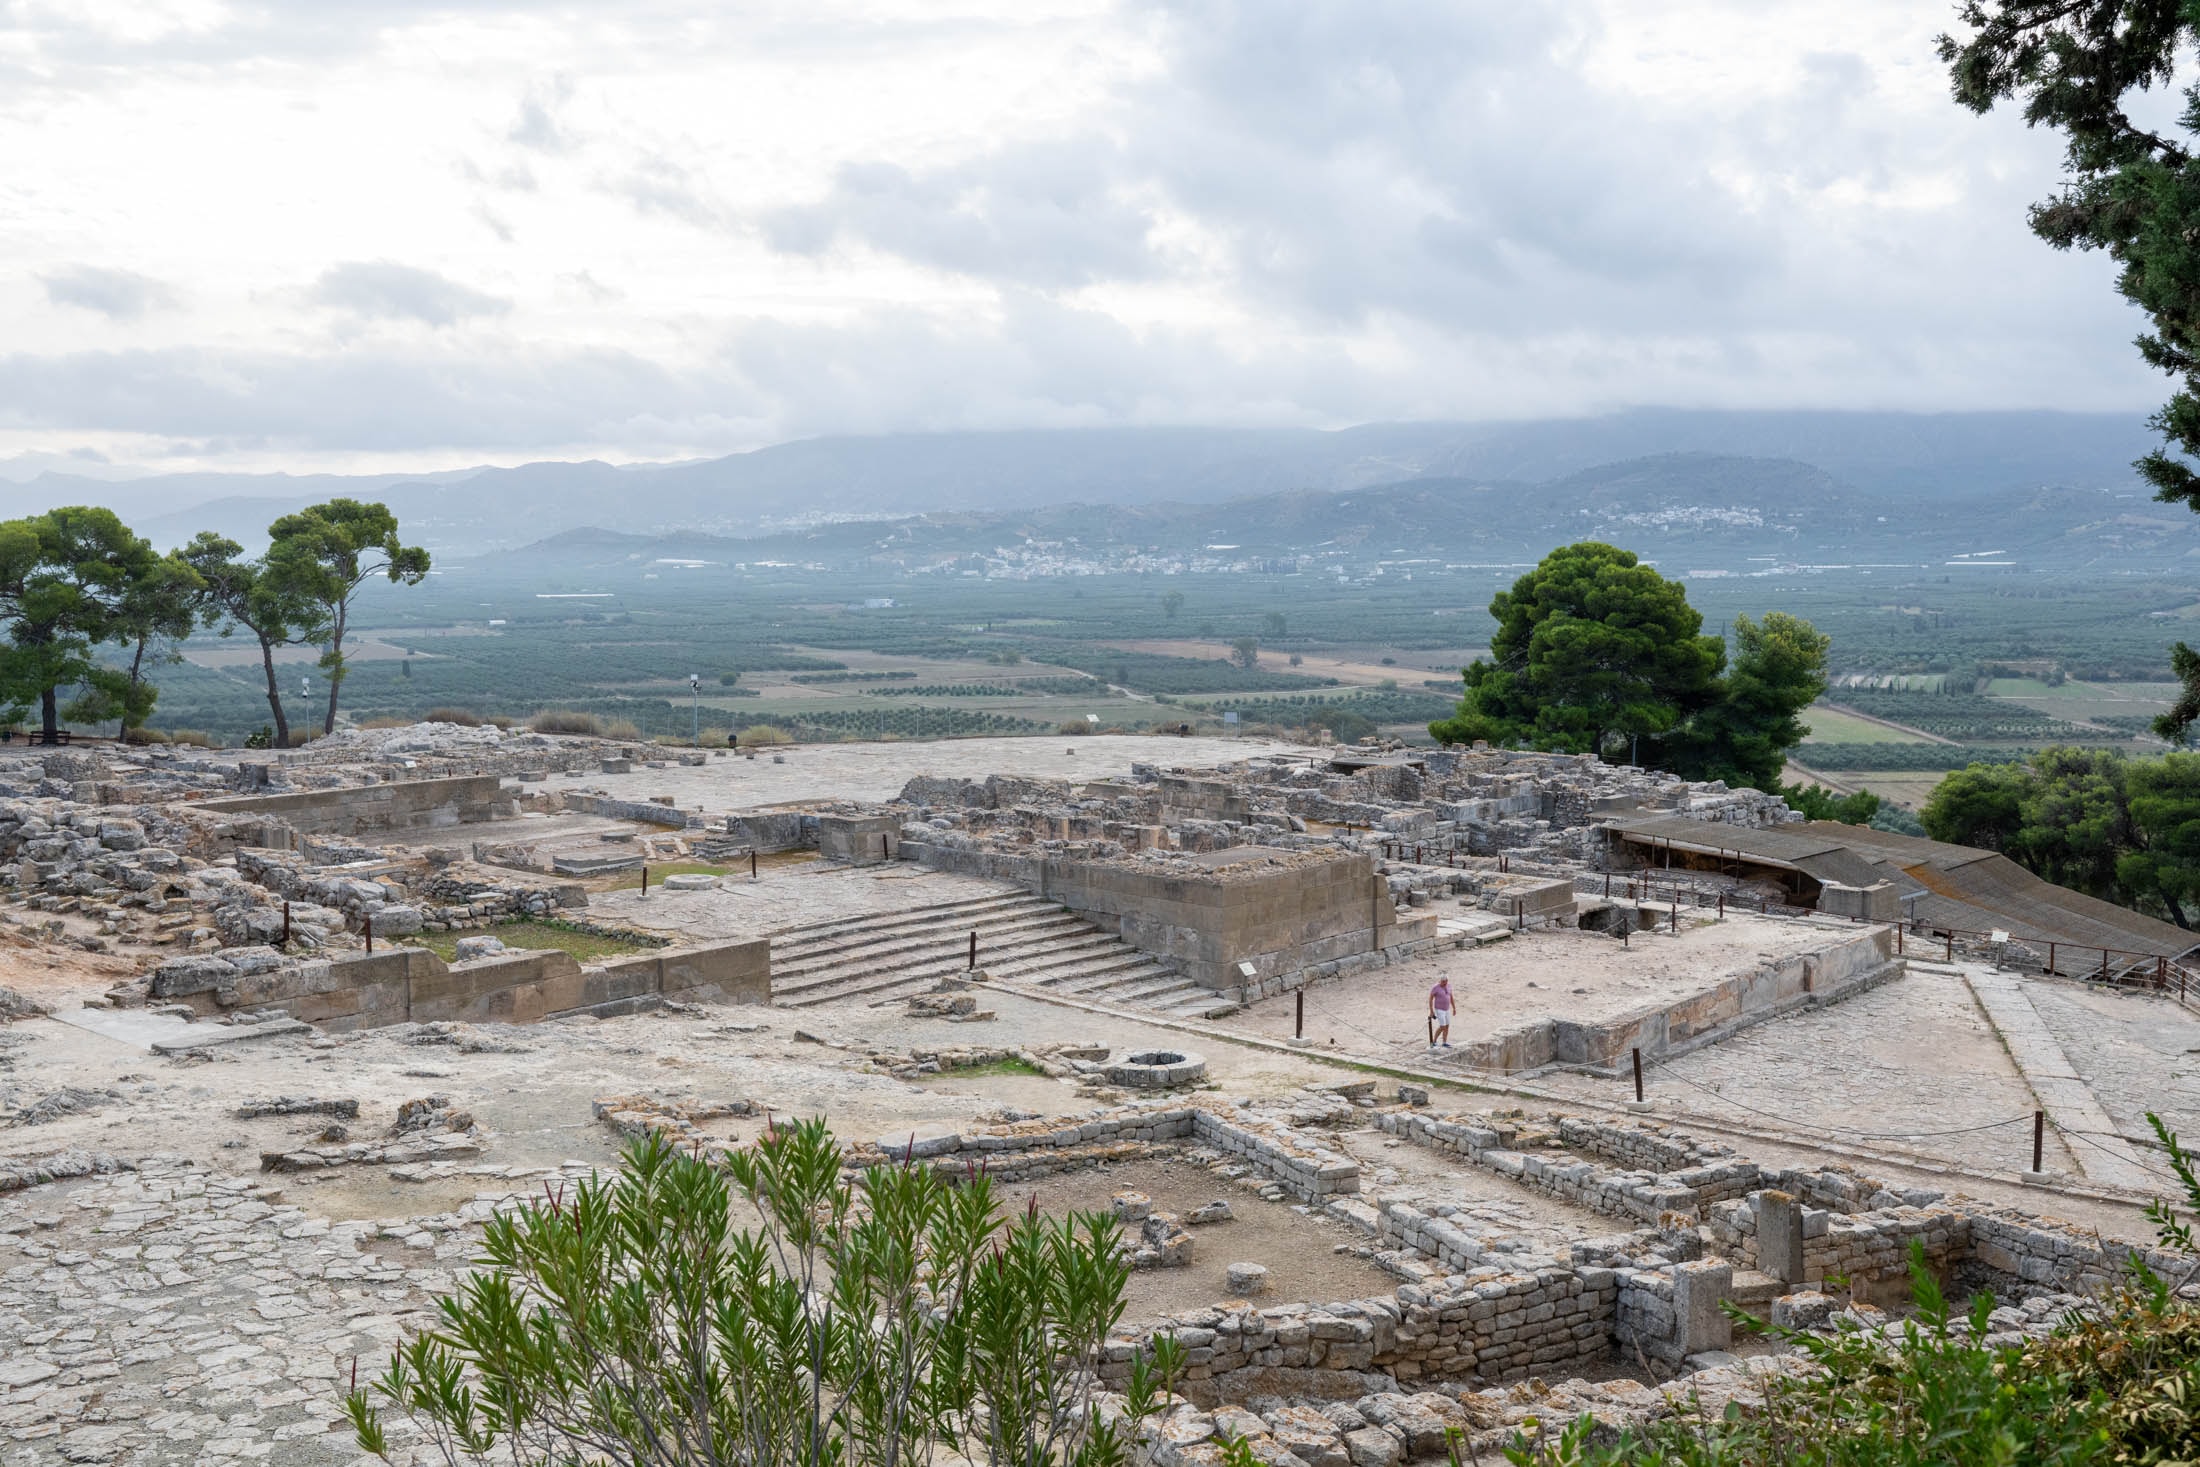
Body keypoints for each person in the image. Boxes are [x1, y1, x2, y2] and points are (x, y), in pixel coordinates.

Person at [1427, 976, 1453, 1050]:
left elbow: (1451, 996)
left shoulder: (1449, 986)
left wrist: (1454, 1007)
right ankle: (1434, 1041)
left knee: (1447, 1025)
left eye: (1445, 982)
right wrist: (1431, 1010)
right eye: (1443, 982)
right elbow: (1431, 999)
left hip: (1447, 1009)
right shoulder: (1435, 987)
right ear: (1440, 981)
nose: (1444, 983)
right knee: (1442, 1026)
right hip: (1439, 1009)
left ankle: (1444, 1042)